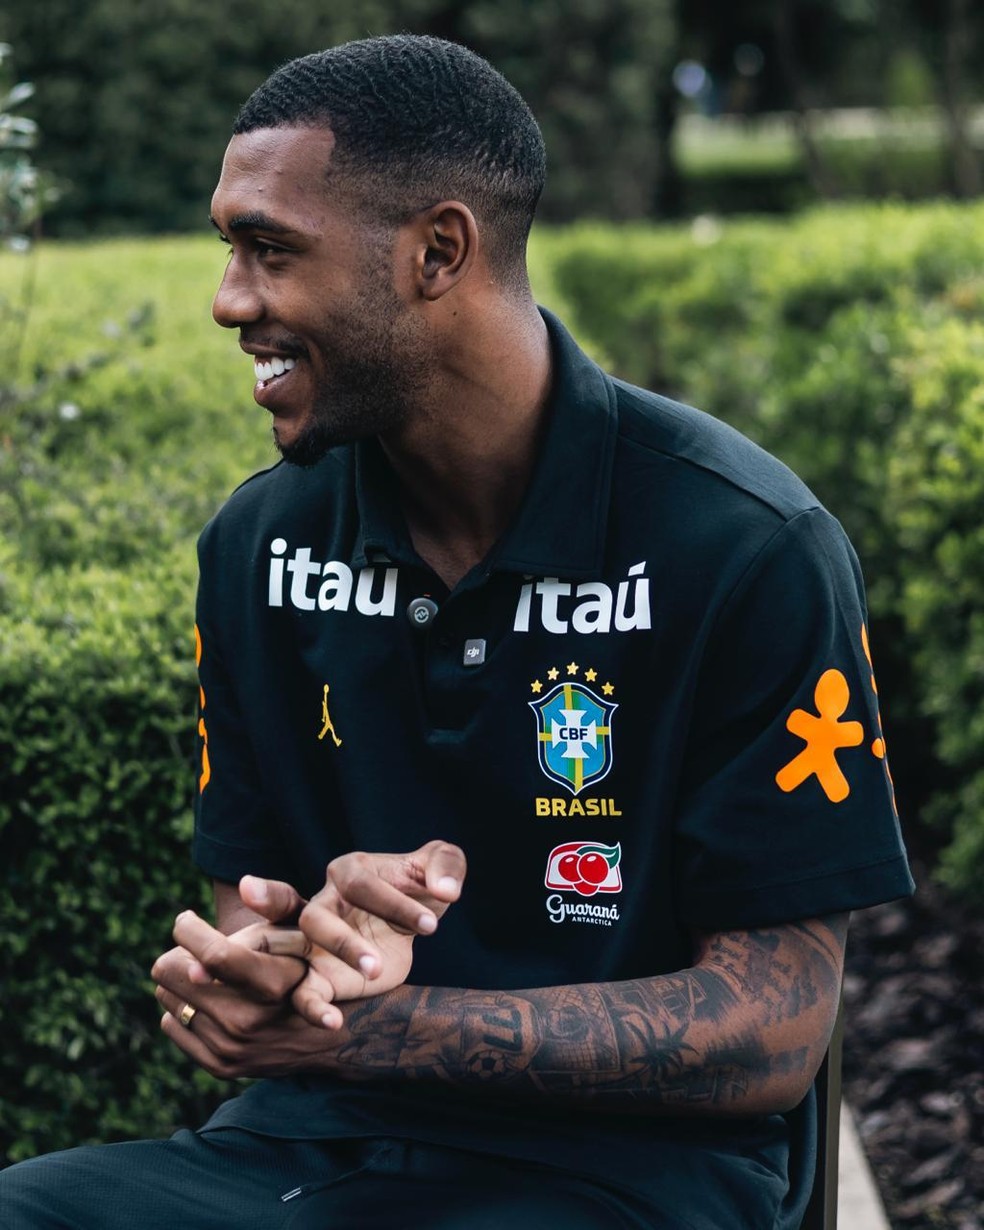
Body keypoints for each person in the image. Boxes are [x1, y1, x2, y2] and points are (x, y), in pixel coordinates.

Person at [1, 34, 913, 1230]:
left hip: (635, 1179)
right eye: (230, 248)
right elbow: (252, 919)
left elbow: (775, 1031)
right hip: (309, 1148)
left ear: (438, 252)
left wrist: (379, 1031)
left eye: (271, 250)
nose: (230, 300)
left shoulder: (747, 549)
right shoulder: (258, 547)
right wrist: (296, 962)